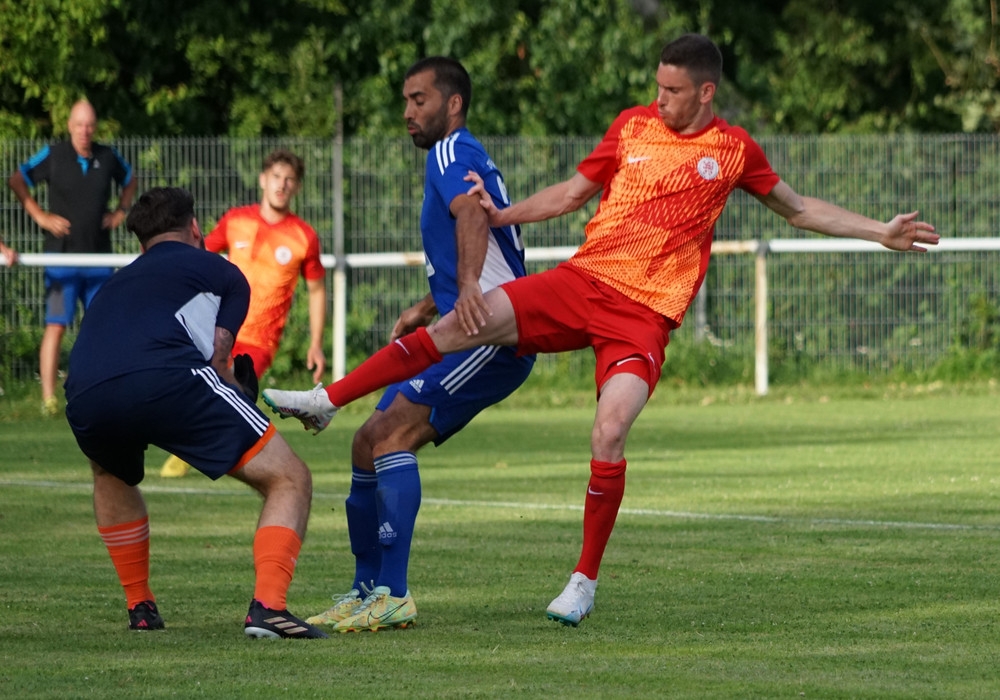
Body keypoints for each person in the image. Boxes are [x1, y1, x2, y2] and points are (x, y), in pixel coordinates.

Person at [263, 34, 940, 627]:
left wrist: (879, 231)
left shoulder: (734, 152)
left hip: (644, 317)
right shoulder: (632, 127)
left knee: (609, 431)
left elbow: (797, 207)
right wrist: (501, 216)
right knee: (461, 324)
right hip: (582, 283)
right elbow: (570, 194)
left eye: (673, 90)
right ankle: (329, 399)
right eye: (657, 86)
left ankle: (582, 579)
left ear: (705, 92)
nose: (660, 99)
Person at [294, 57, 534, 633]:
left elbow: (473, 215)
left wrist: (469, 290)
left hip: (489, 337)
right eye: (405, 100)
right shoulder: (455, 155)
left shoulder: (451, 151)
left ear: (452, 104)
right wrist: (428, 306)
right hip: (464, 324)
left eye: (419, 99)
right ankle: (366, 589)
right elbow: (481, 240)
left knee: (392, 435)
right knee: (366, 442)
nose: (408, 112)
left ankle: (393, 593)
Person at [64, 186, 327, 639]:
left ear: (141, 242)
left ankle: (140, 605)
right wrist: (244, 397)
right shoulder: (221, 271)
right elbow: (220, 361)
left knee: (110, 474)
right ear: (194, 228)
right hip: (166, 379)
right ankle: (269, 608)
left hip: (86, 391)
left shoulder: (115, 283)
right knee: (289, 477)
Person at [159, 148, 327, 478]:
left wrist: (316, 342)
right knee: (199, 385)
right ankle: (194, 444)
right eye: (276, 176)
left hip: (261, 339)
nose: (282, 184)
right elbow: (200, 253)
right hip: (220, 326)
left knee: (232, 390)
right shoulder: (237, 220)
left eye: (290, 179)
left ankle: (197, 453)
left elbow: (317, 289)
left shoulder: (304, 237)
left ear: (297, 188)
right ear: (263, 180)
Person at [7, 99, 137, 417]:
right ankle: (49, 399)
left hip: (99, 261)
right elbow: (17, 179)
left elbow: (131, 179)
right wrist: (39, 215)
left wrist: (121, 211)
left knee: (102, 328)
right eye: (79, 124)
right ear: (69, 125)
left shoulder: (106, 156)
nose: (84, 131)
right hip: (59, 261)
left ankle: (105, 393)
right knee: (56, 325)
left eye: (90, 125)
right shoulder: (53, 154)